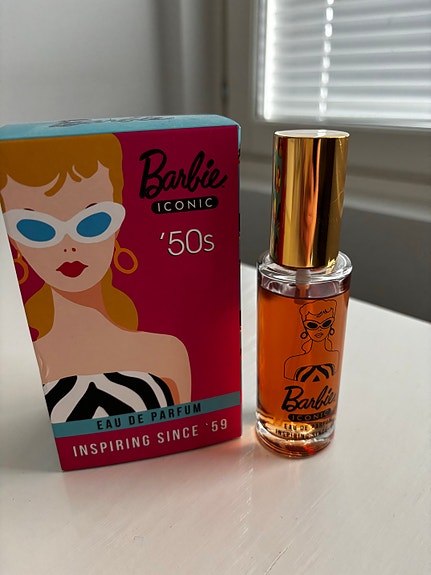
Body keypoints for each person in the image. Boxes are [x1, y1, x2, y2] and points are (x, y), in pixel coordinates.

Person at [0, 134, 191, 422]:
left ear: (117, 226)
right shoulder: (38, 361)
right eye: (37, 229)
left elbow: (179, 434)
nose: (68, 246)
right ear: (15, 241)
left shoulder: (166, 353)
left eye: (92, 223)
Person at [284, 299, 339, 382]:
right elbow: (286, 384)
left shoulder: (335, 356)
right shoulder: (292, 362)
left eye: (326, 323)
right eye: (312, 325)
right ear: (305, 326)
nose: (319, 329)